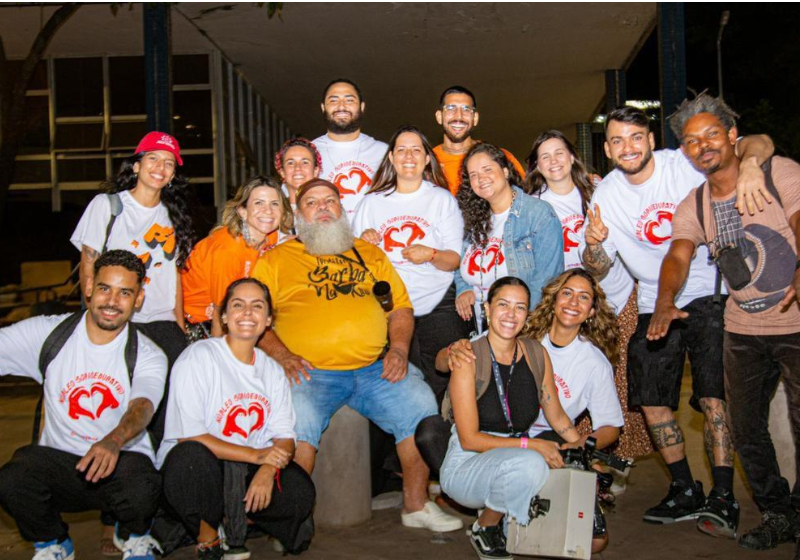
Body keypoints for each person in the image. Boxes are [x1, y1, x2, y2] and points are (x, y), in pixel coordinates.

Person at [580, 105, 774, 534]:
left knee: (714, 396)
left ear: (651, 140)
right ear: (607, 149)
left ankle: (723, 495)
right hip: (653, 299)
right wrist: (594, 245)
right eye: (616, 140)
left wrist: (750, 166)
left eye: (636, 137)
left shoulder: (683, 163)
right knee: (650, 396)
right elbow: (598, 265)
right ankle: (685, 487)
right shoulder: (606, 194)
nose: (627, 147)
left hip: (709, 290)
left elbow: (756, 142)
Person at [252, 178, 462, 532]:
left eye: (330, 200)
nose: (322, 207)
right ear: (298, 216)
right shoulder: (275, 260)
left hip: (373, 369)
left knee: (420, 403)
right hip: (310, 372)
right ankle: (293, 518)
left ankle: (415, 504)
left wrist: (399, 350)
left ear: (342, 209)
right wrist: (283, 356)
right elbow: (257, 318)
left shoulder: (369, 253)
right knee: (298, 424)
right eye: (312, 202)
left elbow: (400, 309)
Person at [651, 93, 800, 551]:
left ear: (733, 135)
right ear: (685, 152)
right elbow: (678, 254)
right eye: (692, 141)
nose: (703, 146)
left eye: (712, 134)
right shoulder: (694, 204)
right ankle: (779, 514)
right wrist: (664, 299)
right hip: (742, 330)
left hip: (795, 322)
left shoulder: (777, 172)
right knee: (745, 428)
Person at [70, 131, 196, 551]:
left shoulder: (172, 214)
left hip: (162, 325)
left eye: (169, 163)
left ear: (174, 174)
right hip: (120, 324)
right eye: (153, 159)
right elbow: (89, 264)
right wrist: (95, 320)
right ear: (137, 164)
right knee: (116, 418)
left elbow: (174, 275)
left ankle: (156, 511)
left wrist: (179, 325)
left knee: (166, 418)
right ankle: (112, 521)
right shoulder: (108, 206)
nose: (160, 168)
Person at [0, 250, 166, 560]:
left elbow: (143, 406)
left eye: (125, 292)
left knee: (143, 483)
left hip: (120, 463)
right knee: (14, 477)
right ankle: (52, 542)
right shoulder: (49, 334)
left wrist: (114, 440)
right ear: (89, 287)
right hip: (63, 466)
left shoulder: (148, 354)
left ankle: (134, 534)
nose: (112, 301)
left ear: (138, 299)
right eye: (104, 288)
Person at [157, 278, 315, 559]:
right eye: (238, 305)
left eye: (257, 306)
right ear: (224, 316)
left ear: (268, 320)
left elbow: (285, 437)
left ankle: (238, 519)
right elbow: (190, 436)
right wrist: (258, 456)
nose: (247, 313)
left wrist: (268, 469)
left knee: (299, 491)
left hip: (248, 467)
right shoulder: (199, 357)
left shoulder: (272, 370)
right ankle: (208, 537)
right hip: (200, 467)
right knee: (190, 459)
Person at [525, 130, 652, 470]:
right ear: (537, 166)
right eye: (544, 156)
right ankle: (581, 459)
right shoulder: (532, 205)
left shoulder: (598, 191)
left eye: (559, 152)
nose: (553, 161)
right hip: (570, 305)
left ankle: (615, 457)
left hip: (617, 294)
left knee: (619, 380)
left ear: (572, 156)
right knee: (575, 381)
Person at [438, 277, 581, 560]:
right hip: (468, 463)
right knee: (532, 463)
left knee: (555, 464)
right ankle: (485, 526)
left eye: (520, 307)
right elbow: (469, 440)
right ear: (487, 309)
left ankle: (504, 507)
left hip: (514, 454)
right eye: (503, 305)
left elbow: (556, 415)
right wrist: (532, 445)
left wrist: (582, 450)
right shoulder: (468, 357)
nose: (511, 315)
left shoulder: (536, 354)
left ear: (527, 314)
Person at [352, 125, 470, 401]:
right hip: (388, 307)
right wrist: (364, 244)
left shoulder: (441, 199)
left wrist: (431, 254)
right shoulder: (370, 203)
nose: (408, 156)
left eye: (416, 150)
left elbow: (454, 260)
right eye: (401, 150)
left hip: (437, 304)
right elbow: (356, 265)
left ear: (427, 158)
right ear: (391, 158)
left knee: (445, 381)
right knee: (393, 388)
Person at [455, 143, 563, 332]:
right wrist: (463, 288)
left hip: (522, 328)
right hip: (480, 330)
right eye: (473, 175)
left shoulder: (537, 214)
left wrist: (523, 325)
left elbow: (548, 281)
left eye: (487, 169)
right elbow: (457, 261)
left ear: (505, 171)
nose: (481, 178)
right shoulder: (471, 219)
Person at [181, 176, 292, 339]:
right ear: (242, 211)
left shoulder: (270, 237)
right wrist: (220, 352)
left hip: (238, 315)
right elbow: (221, 313)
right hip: (200, 326)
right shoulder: (228, 249)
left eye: (274, 204)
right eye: (259, 203)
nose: (268, 210)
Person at [314, 79, 388, 220]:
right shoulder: (308, 153)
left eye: (349, 100)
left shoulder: (383, 153)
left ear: (362, 106)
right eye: (333, 100)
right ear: (323, 107)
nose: (341, 106)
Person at [432, 85, 526, 196]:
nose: (459, 116)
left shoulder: (500, 157)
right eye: (451, 109)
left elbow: (524, 200)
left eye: (466, 109)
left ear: (475, 118)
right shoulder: (427, 162)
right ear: (439, 116)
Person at [274, 138, 322, 211]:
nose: (297, 168)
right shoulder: (274, 212)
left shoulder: (326, 210)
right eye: (290, 163)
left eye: (305, 162)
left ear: (316, 171)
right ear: (282, 172)